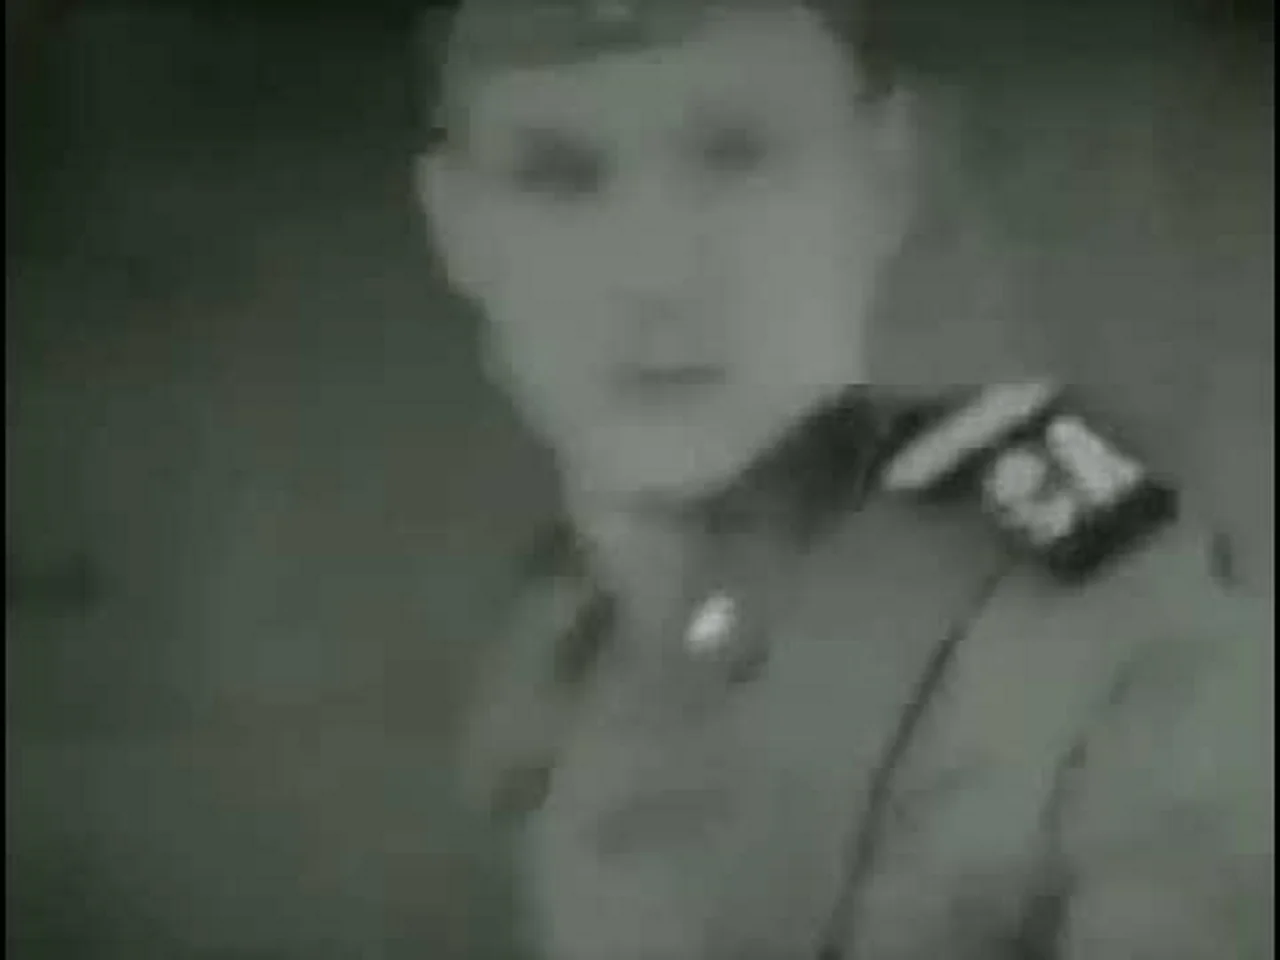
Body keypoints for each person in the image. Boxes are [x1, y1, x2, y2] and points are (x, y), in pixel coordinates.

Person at [412, 1, 1274, 957]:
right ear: (456, 229)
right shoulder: (544, 656)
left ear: (885, 180)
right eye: (557, 177)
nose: (655, 275)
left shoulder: (1104, 629)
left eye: (738, 157)